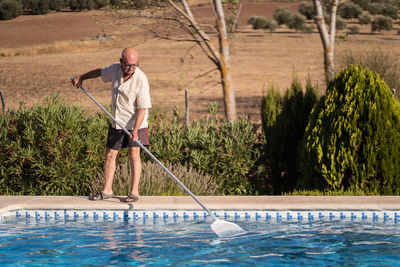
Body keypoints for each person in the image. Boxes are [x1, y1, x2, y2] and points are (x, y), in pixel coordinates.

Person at [71, 47, 152, 202]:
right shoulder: (115, 69)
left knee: (134, 154)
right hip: (117, 120)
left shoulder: (141, 79)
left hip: (138, 123)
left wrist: (135, 131)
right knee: (110, 154)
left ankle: (134, 192)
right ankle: (107, 190)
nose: (131, 68)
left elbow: (143, 108)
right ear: (121, 61)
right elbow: (100, 72)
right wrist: (82, 77)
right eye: (128, 65)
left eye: (134, 65)